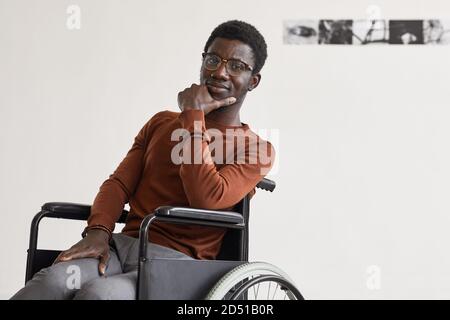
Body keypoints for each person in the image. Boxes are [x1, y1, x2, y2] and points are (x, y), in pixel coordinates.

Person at [11, 19, 275, 300]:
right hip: (120, 246)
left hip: (177, 266)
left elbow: (205, 198)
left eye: (236, 66)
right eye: (213, 59)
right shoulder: (161, 123)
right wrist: (98, 231)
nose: (220, 72)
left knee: (100, 295)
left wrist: (192, 117)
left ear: (253, 81)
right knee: (52, 282)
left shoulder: (257, 149)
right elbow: (118, 184)